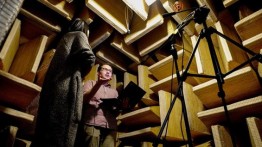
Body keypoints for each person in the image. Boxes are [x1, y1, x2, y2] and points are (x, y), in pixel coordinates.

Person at [32, 18, 96, 147]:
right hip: (67, 90)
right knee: (63, 134)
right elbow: (89, 57)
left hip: (54, 91)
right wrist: (80, 73)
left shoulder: (64, 39)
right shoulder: (79, 34)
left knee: (47, 134)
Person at [77, 63, 119, 147]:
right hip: (93, 123)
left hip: (110, 126)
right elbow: (84, 99)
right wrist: (98, 84)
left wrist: (123, 107)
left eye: (110, 71)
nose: (108, 72)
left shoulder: (115, 92)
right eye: (105, 69)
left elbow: (116, 112)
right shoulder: (90, 83)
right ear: (98, 73)